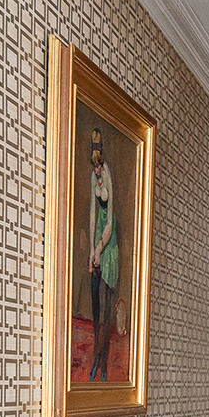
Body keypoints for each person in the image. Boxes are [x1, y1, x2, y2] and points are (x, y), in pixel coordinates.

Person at [86, 129, 123, 382]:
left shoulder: (107, 177)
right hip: (98, 239)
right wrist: (90, 249)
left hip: (108, 245)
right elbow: (92, 214)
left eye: (99, 167)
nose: (97, 172)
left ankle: (105, 359)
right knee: (95, 303)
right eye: (95, 168)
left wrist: (99, 249)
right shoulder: (93, 177)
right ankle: (96, 358)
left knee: (108, 309)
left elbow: (109, 221)